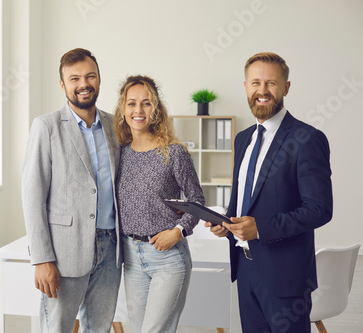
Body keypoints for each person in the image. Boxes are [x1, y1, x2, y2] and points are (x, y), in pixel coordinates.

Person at [206, 52, 333, 333]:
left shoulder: (307, 139)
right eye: (255, 83)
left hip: (285, 277)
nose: (262, 91)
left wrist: (260, 229)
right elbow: (246, 201)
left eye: (271, 83)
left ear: (286, 87)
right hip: (246, 269)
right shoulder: (243, 139)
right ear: (245, 86)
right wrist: (227, 222)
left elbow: (319, 209)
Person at [21, 48, 122, 332]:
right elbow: (32, 196)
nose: (83, 84)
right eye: (74, 78)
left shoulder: (116, 126)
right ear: (63, 85)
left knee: (99, 328)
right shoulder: (46, 127)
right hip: (64, 252)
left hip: (111, 248)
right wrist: (42, 259)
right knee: (57, 328)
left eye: (90, 76)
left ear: (99, 79)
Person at [114, 75, 205, 333]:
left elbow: (197, 200)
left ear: (156, 109)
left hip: (167, 258)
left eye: (146, 103)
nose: (138, 111)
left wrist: (177, 232)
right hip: (131, 259)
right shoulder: (120, 152)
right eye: (131, 104)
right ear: (123, 109)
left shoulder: (174, 152)